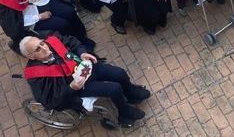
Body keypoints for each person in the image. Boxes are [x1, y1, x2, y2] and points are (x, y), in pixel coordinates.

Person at [20, 34, 150, 126]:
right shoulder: (36, 75)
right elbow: (49, 101)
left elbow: (72, 41)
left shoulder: (52, 42)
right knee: (114, 88)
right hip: (77, 87)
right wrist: (71, 88)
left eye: (41, 43)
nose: (44, 48)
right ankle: (124, 114)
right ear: (31, 56)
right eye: (38, 49)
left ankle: (131, 93)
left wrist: (82, 52)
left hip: (85, 68)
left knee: (120, 73)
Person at [0, 0, 94, 53]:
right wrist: (39, 17)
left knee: (69, 12)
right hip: (28, 17)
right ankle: (76, 46)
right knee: (62, 24)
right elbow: (12, 23)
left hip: (40, 1)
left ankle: (81, 36)